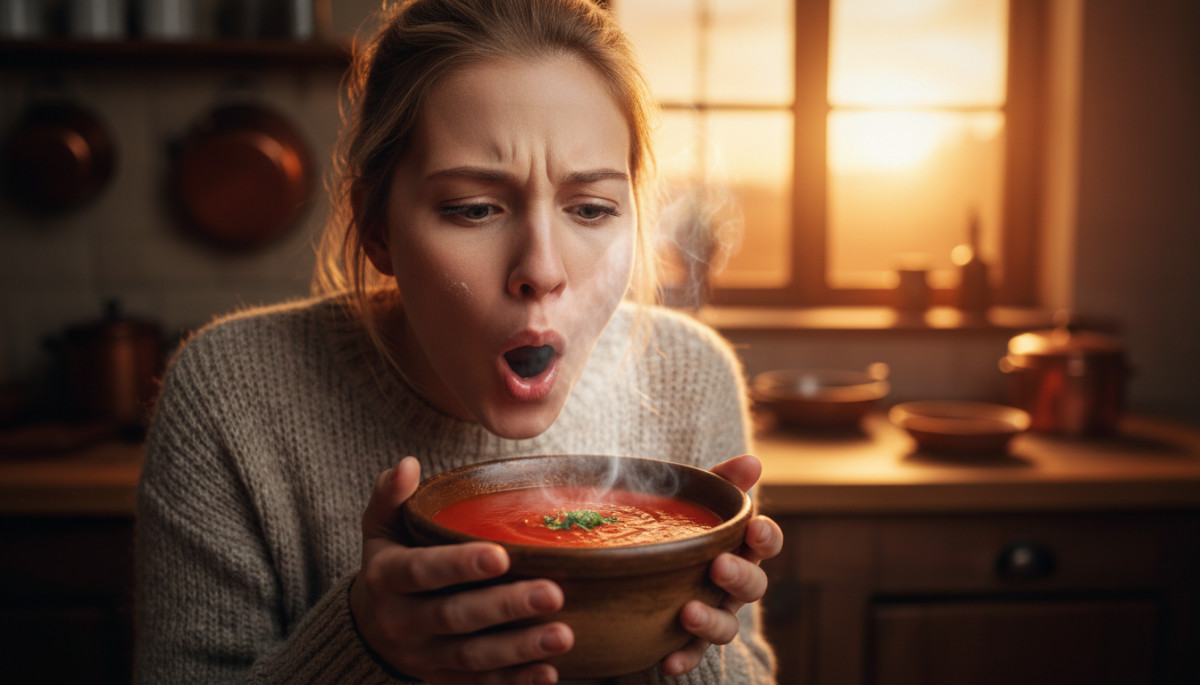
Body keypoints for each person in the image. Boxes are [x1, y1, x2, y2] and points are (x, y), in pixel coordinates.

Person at [135, 0, 783, 683]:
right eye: (474, 208)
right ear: (377, 226)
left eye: (590, 209)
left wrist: (676, 644)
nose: (540, 269)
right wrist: (366, 644)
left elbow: (746, 664)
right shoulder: (228, 393)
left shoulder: (688, 374)